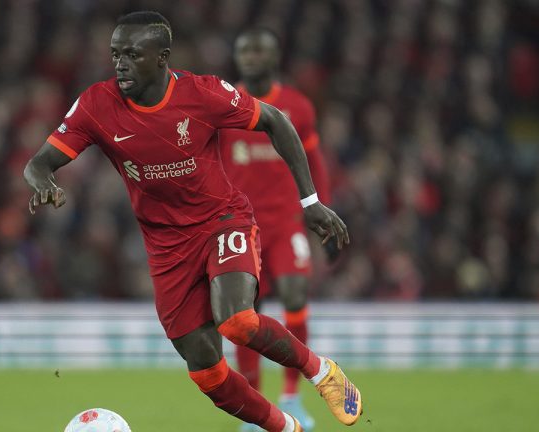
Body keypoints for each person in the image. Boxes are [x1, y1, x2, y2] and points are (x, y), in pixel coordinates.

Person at [24, 11, 362, 432]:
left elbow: (277, 121)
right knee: (207, 372)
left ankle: (322, 372)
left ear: (162, 57)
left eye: (132, 54)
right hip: (166, 246)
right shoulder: (96, 104)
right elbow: (38, 164)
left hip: (223, 219)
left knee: (237, 320)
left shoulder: (202, 94)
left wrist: (310, 201)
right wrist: (44, 182)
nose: (120, 64)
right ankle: (285, 428)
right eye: (115, 54)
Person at [218, 28, 332, 432]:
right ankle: (257, 406)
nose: (249, 56)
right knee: (246, 316)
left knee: (296, 292)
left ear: (274, 56)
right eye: (243, 50)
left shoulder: (298, 107)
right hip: (242, 226)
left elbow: (313, 161)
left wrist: (320, 207)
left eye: (258, 50)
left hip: (286, 224)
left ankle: (291, 396)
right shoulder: (227, 104)